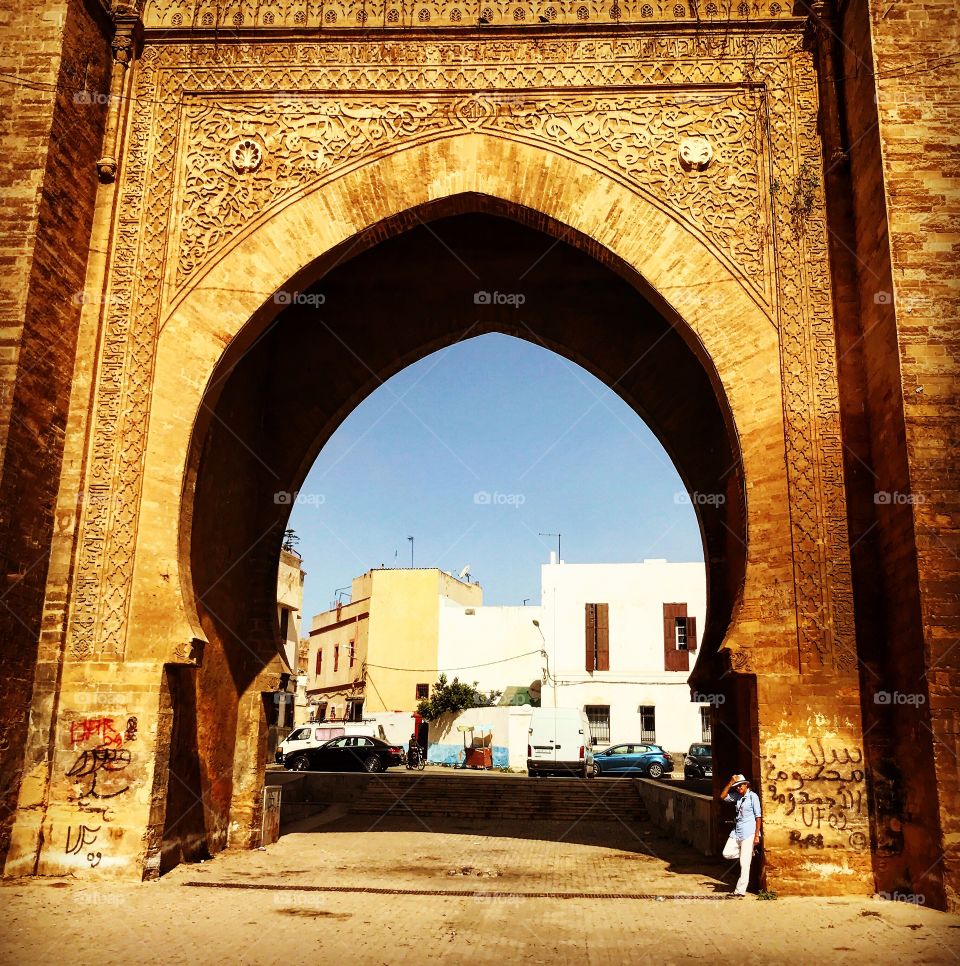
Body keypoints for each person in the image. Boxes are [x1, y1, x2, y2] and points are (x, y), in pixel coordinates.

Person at [720, 773, 762, 897]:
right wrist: (730, 783)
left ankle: (740, 891)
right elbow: (722, 796)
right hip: (737, 831)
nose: (738, 788)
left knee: (744, 863)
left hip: (749, 832)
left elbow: (758, 816)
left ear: (746, 785)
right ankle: (749, 852)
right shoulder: (737, 797)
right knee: (726, 853)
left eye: (740, 786)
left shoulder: (753, 797)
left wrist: (756, 835)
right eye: (736, 786)